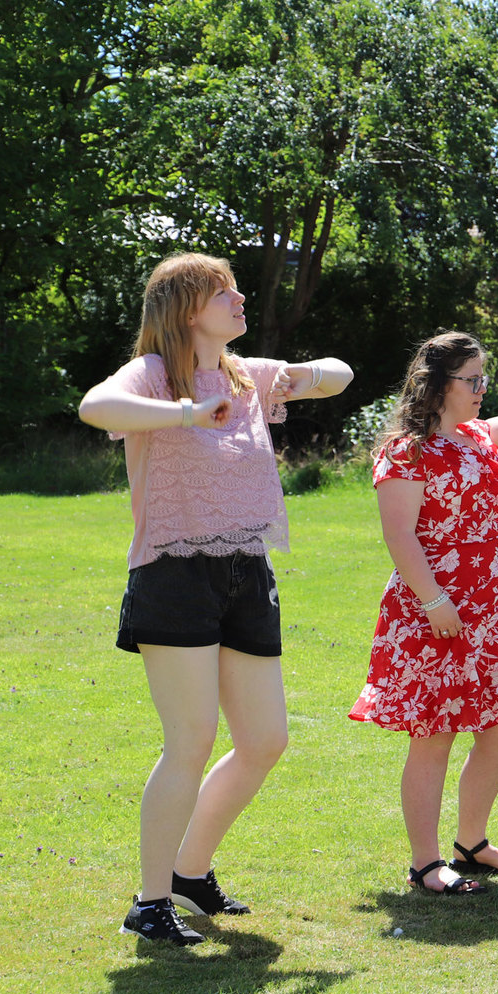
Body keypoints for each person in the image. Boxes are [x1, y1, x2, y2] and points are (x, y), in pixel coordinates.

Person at [78, 253, 352, 944]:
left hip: (246, 569)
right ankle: (150, 900)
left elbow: (342, 374)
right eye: (221, 291)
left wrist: (300, 376)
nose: (237, 299)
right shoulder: (154, 374)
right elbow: (94, 407)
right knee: (192, 738)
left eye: (235, 288)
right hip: (174, 573)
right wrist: (184, 412)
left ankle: (191, 873)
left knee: (264, 739)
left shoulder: (245, 373)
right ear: (187, 308)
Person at [350, 326, 498, 895]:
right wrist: (436, 601)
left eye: (485, 378)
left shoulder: (479, 436)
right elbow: (401, 538)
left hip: (489, 606)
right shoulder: (406, 451)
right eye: (473, 379)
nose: (483, 389)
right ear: (438, 384)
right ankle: (425, 861)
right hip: (432, 607)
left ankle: (472, 842)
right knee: (433, 734)